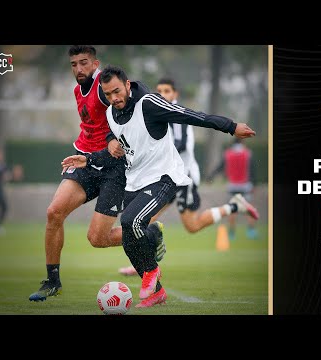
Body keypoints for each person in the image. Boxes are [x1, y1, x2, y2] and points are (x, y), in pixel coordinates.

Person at [61, 65, 256, 307]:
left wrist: (230, 126)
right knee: (130, 236)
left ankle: (152, 270)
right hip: (134, 182)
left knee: (131, 221)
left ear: (128, 85)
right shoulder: (111, 114)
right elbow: (117, 149)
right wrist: (88, 159)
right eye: (108, 94)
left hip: (164, 177)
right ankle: (158, 291)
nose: (114, 98)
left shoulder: (150, 104)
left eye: (117, 91)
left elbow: (192, 115)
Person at [28, 46, 165, 302]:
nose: (79, 69)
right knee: (53, 212)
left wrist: (119, 137)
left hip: (114, 169)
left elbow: (136, 90)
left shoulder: (105, 87)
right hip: (85, 161)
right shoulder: (76, 89)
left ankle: (149, 234)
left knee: (98, 239)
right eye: (73, 64)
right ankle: (52, 281)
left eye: (84, 63)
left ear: (95, 63)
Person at [117, 77, 259, 276]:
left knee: (192, 226)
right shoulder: (153, 108)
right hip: (164, 177)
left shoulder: (172, 112)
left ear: (175, 94)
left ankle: (234, 206)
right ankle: (144, 264)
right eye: (159, 90)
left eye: (167, 91)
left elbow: (181, 143)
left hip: (183, 177)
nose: (162, 94)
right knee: (142, 219)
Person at [209, 138, 258, 240]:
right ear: (242, 142)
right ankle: (251, 231)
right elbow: (252, 169)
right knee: (249, 208)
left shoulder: (228, 154)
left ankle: (231, 233)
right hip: (245, 186)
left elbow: (220, 167)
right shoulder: (247, 153)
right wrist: (254, 184)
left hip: (232, 186)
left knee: (232, 209)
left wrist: (211, 176)